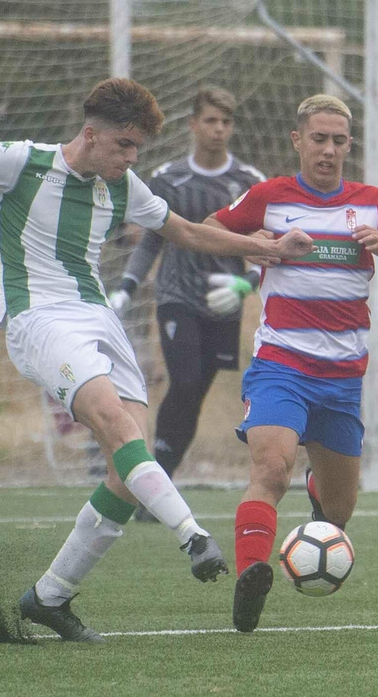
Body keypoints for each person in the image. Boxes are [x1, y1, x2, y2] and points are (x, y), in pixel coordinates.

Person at [0, 78, 315, 643]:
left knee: (130, 465)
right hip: (37, 318)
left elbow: (190, 233)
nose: (130, 158)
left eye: (137, 149)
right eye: (124, 145)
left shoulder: (122, 185)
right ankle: (192, 535)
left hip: (96, 318)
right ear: (91, 134)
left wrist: (270, 249)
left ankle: (49, 596)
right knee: (114, 421)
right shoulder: (21, 162)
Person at [205, 93, 378, 633]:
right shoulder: (270, 196)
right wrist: (250, 242)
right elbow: (208, 227)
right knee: (270, 468)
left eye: (338, 140)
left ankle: (318, 492)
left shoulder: (372, 203)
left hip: (342, 381)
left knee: (339, 512)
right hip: (282, 364)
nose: (328, 150)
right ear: (297, 140)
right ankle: (250, 577)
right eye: (318, 139)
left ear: (349, 144)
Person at [110, 86, 268, 499]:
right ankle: (154, 485)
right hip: (177, 296)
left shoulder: (249, 182)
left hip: (225, 303)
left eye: (226, 122)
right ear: (193, 124)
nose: (218, 129)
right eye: (211, 120)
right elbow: (149, 242)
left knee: (194, 393)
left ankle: (161, 476)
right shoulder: (168, 178)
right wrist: (127, 288)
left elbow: (267, 245)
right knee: (184, 380)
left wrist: (246, 285)